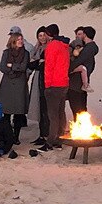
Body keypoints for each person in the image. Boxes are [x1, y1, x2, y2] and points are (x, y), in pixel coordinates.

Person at [38, 24, 70, 152]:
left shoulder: (52, 46)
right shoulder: (65, 45)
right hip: (64, 83)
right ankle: (59, 139)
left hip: (54, 84)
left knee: (53, 115)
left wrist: (47, 85)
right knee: (61, 112)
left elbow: (49, 67)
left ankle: (51, 141)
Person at [0, 33, 30, 145]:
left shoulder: (26, 53)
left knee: (18, 112)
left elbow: (23, 67)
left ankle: (16, 136)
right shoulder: (6, 53)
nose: (20, 41)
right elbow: (3, 67)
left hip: (20, 84)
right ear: (13, 41)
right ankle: (7, 135)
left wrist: (12, 66)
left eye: (21, 39)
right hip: (7, 84)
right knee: (6, 112)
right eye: (18, 39)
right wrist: (13, 68)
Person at [68, 26, 98, 120]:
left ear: (85, 34)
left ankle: (80, 130)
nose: (78, 37)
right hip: (77, 84)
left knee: (78, 109)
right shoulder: (87, 47)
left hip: (76, 85)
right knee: (80, 109)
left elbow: (80, 61)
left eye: (81, 34)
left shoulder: (89, 48)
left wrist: (68, 69)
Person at [27, 26, 50, 146]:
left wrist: (37, 63)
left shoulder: (48, 48)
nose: (42, 38)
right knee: (39, 107)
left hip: (45, 79)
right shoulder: (36, 48)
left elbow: (43, 64)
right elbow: (31, 64)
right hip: (37, 78)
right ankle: (41, 134)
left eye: (44, 35)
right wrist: (37, 63)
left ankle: (47, 135)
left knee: (45, 108)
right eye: (40, 35)